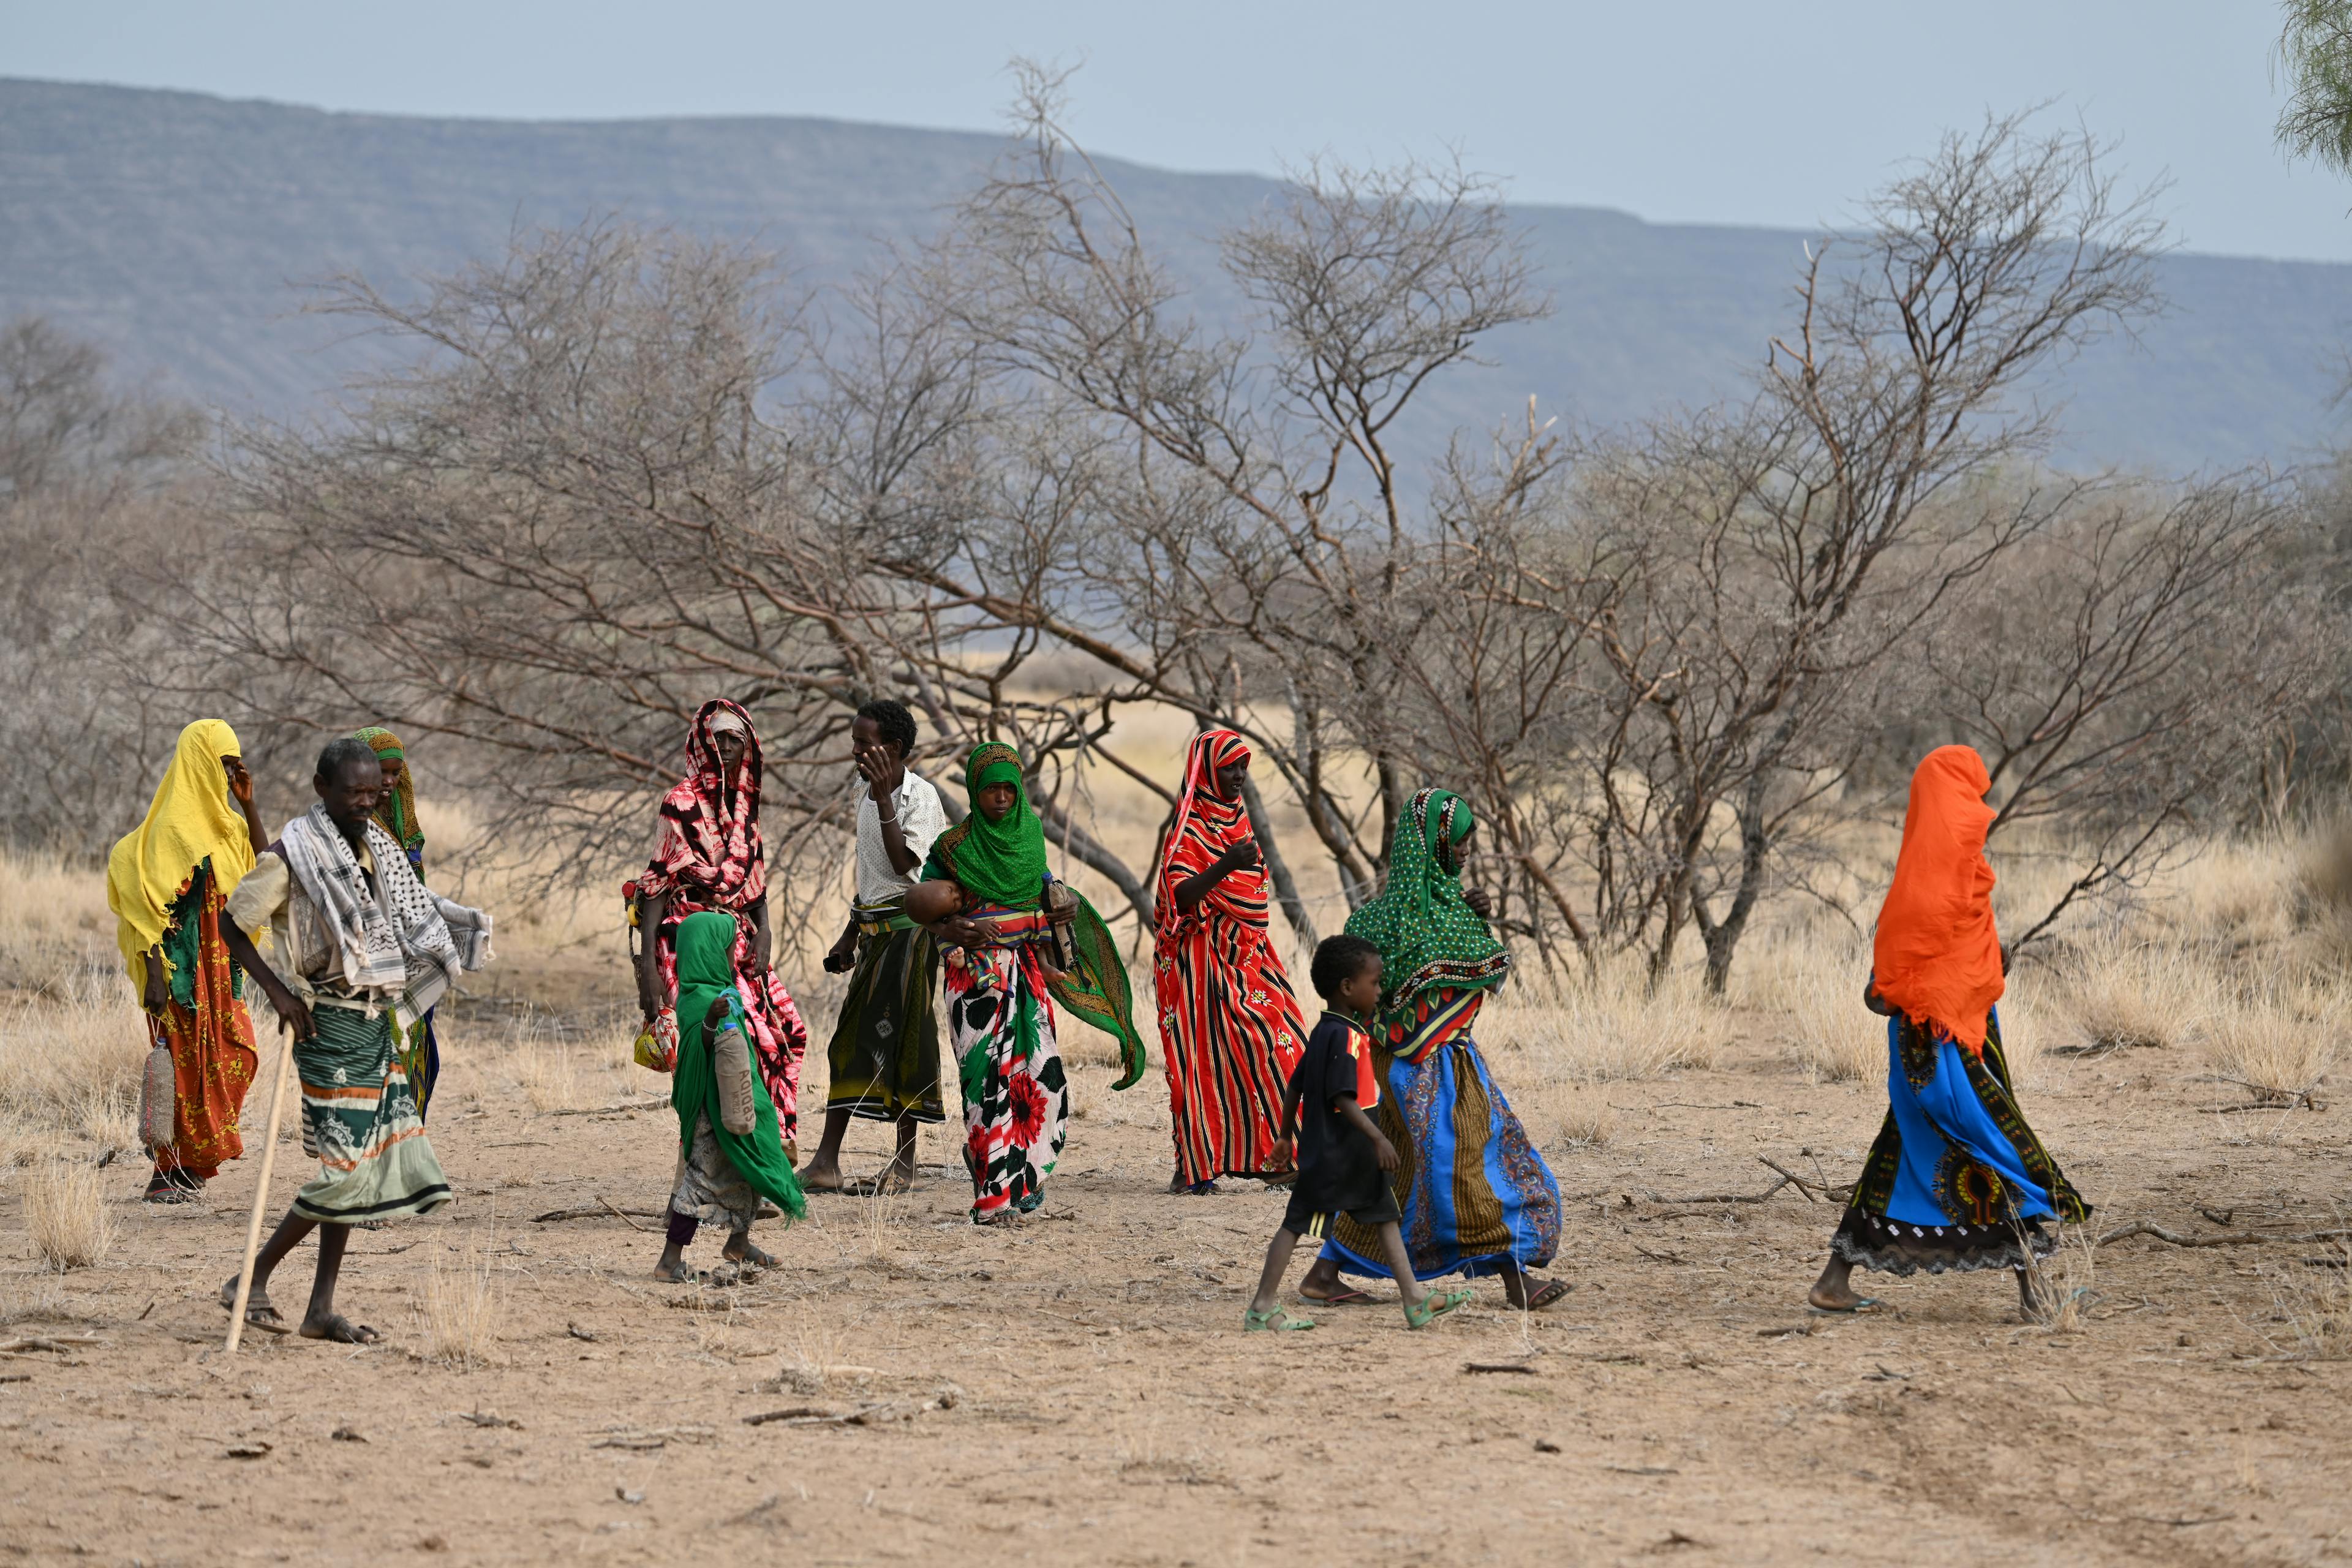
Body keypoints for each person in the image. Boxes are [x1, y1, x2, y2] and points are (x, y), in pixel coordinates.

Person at [216, 737, 493, 1342]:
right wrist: (277, 992)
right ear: (322, 788)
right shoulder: (294, 853)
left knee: (357, 1169)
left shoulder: (377, 848)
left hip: (374, 1022)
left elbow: (405, 916)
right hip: (327, 1023)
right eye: (353, 792)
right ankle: (251, 1278)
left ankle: (319, 1308)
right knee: (343, 1172)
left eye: (373, 792)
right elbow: (233, 923)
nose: (365, 802)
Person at [1809, 745, 2090, 1316]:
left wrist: (1981, 965)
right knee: (1991, 1147)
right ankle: (2037, 1296)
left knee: (1901, 1154)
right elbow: (1883, 992)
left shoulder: (1948, 878)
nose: (1979, 811)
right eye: (1971, 798)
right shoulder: (1935, 887)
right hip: (1938, 1051)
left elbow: (1942, 964)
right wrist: (1942, 986)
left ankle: (1833, 1282)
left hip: (1949, 1044)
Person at [1298, 787, 1567, 1310]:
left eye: (1469, 843)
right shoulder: (1445, 921)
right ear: (1434, 847)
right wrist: (1473, 922)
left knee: (1393, 1178)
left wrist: (1470, 916)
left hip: (1377, 1069)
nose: (1467, 852)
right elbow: (1489, 972)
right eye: (1460, 843)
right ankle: (1518, 1283)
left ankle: (1324, 1272)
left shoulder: (1372, 918)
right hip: (1436, 1072)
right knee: (1476, 1167)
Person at [908, 740, 1146, 1223]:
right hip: (973, 982)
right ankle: (992, 1195)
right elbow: (920, 903)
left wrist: (1054, 934)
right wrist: (949, 930)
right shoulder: (953, 847)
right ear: (975, 790)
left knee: (1038, 1077)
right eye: (991, 789)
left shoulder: (1030, 838)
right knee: (984, 1083)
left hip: (1026, 975)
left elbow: (1045, 893)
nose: (1001, 799)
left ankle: (1025, 1180)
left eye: (1009, 791)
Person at [1245, 934, 1471, 1332]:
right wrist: (1379, 1139)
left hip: (1351, 1156)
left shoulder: (1325, 1031)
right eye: (1376, 982)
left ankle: (1415, 1300)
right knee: (1296, 1224)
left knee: (1385, 1218)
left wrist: (1284, 1136)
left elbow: (1296, 1085)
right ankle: (1263, 1307)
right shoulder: (1346, 1036)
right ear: (1348, 988)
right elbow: (1343, 1099)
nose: (1380, 990)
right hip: (1336, 1156)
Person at [633, 699, 811, 1156]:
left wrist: (766, 932)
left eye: (737, 740)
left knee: (784, 1032)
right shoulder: (680, 803)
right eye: (720, 738)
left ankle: (772, 1145)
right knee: (717, 1042)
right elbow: (654, 886)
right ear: (702, 743)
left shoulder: (745, 811)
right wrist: (649, 971)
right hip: (686, 937)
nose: (727, 748)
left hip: (737, 937)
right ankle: (717, 1161)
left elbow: (756, 889)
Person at [105, 719, 270, 1202]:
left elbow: (270, 869)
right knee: (178, 1066)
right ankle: (167, 1172)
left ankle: (193, 1165)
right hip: (177, 974)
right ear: (196, 761)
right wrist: (154, 973)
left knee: (236, 1055)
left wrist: (249, 803)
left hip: (222, 969)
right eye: (221, 765)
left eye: (233, 766)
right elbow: (144, 907)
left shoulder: (229, 827)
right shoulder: (160, 834)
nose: (225, 775)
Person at [800, 699, 950, 1196]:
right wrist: (849, 935)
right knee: (849, 1042)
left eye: (864, 743)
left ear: (894, 749)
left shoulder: (919, 798)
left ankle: (904, 1164)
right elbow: (872, 879)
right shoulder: (867, 796)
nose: (856, 752)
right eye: (854, 742)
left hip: (912, 937)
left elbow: (907, 865)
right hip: (874, 935)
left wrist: (887, 801)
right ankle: (827, 1162)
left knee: (907, 1039)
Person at [1152, 729, 1308, 1195]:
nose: (1239, 776)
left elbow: (1254, 895)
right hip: (1202, 963)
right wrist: (1224, 865)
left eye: (1244, 766)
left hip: (1247, 957)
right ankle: (1195, 1167)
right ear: (1206, 771)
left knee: (1282, 1042)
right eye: (1229, 767)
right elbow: (1177, 895)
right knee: (1203, 1062)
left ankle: (1277, 1158)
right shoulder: (1190, 825)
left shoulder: (1236, 819)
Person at [655, 911, 807, 1281]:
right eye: (727, 950)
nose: (732, 959)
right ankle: (669, 1261)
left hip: (736, 1102)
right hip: (713, 1115)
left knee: (751, 1167)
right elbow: (695, 1052)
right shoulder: (697, 1000)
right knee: (700, 1182)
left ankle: (739, 1243)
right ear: (707, 952)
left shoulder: (723, 994)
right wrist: (709, 1020)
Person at [349, 725, 443, 1120]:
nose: (388, 782)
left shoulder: (406, 828)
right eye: (378, 772)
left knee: (422, 1058)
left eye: (394, 773)